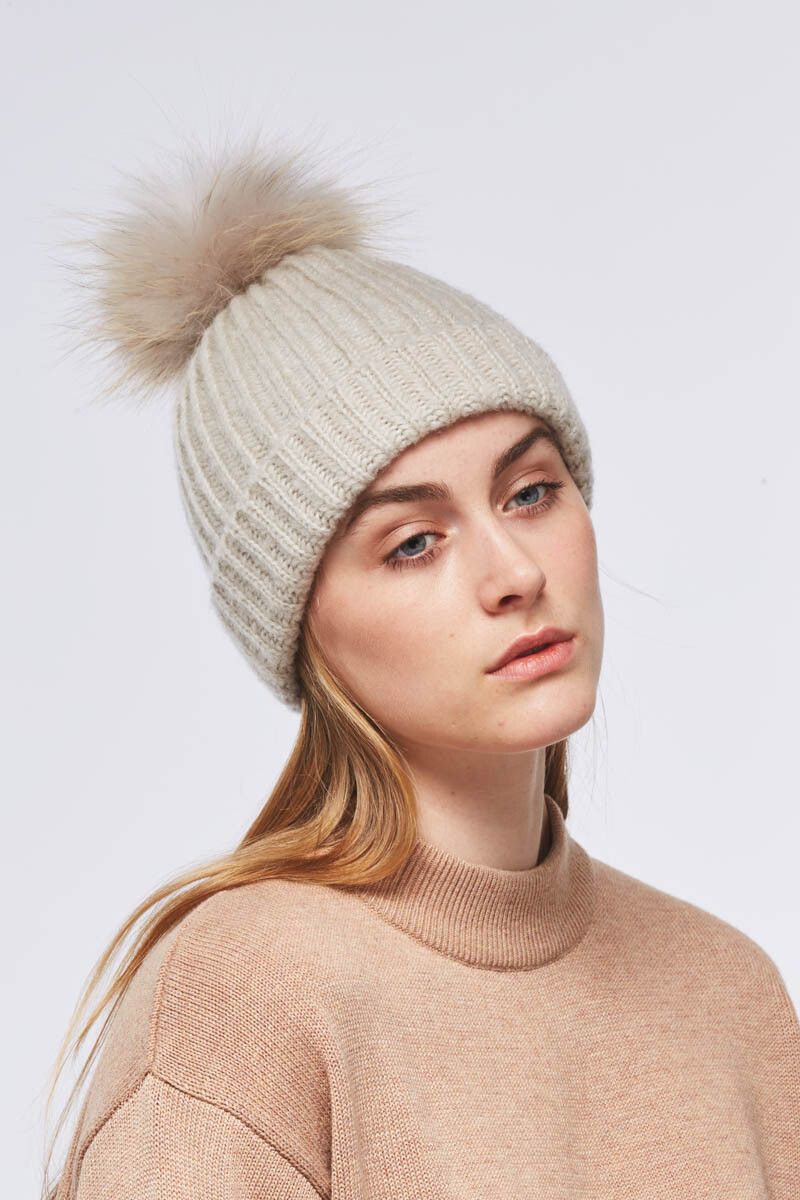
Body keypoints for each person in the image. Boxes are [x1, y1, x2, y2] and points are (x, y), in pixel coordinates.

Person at [42, 130, 799, 1200]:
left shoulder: (726, 994)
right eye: (412, 543)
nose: (513, 573)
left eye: (530, 492)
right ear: (302, 625)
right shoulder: (241, 1007)